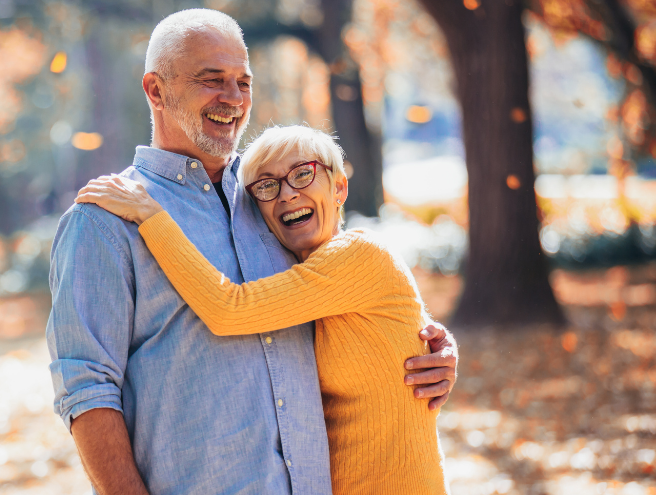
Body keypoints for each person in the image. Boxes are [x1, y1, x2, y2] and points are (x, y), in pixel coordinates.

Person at [46, 9, 458, 494]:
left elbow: (345, 304)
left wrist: (427, 346)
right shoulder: (104, 219)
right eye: (212, 79)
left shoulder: (275, 202)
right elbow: (87, 391)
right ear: (156, 91)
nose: (233, 98)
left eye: (243, 81)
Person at [76, 125, 449, 494]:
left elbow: (229, 309)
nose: (287, 194)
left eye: (303, 174)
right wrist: (438, 344)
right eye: (267, 186)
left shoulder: (361, 254)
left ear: (338, 188)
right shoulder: (298, 278)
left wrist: (150, 215)